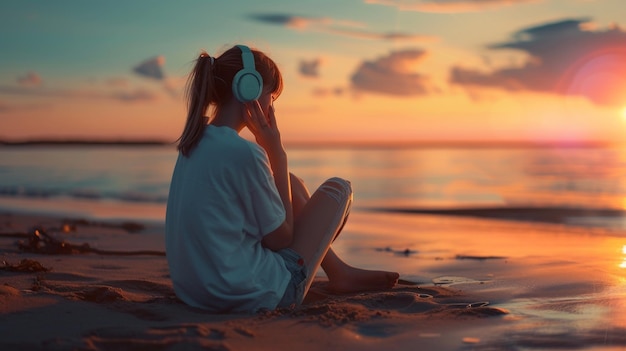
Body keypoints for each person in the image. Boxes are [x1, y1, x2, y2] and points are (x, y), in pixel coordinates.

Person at [165, 44, 399, 313]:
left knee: (289, 182)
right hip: (255, 295)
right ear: (248, 89)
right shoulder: (245, 153)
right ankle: (336, 274)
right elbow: (281, 240)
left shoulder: (194, 144)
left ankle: (339, 272)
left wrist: (277, 167)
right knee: (339, 188)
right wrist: (277, 153)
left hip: (196, 292)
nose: (271, 106)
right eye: (271, 96)